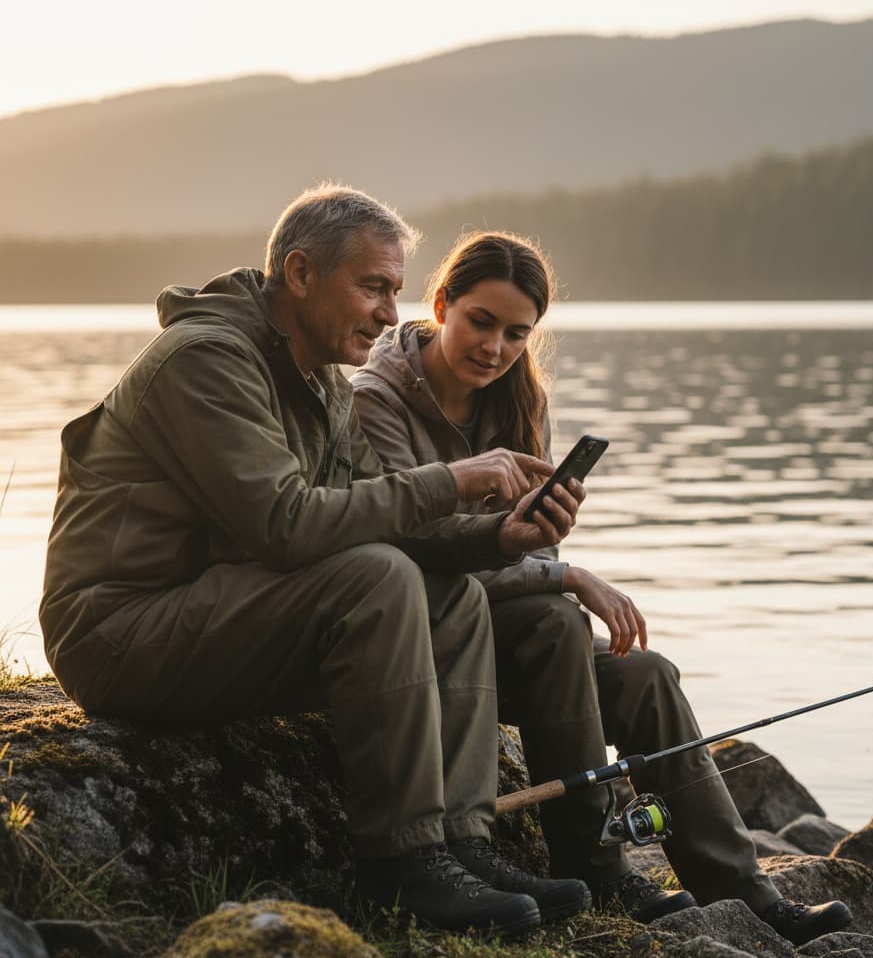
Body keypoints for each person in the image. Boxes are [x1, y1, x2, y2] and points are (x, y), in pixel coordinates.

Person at [38, 187, 598, 937]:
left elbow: (375, 509)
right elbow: (284, 525)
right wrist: (451, 481)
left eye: (395, 291)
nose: (389, 314)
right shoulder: (206, 361)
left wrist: (498, 538)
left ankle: (464, 844)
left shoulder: (318, 380)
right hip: (118, 633)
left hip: (212, 607)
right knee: (375, 577)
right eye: (373, 287)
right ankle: (402, 863)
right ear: (300, 274)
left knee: (452, 594)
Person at [351, 230, 853, 945]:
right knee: (557, 621)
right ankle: (598, 867)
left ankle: (745, 892)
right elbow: (407, 543)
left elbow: (536, 551)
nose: (495, 348)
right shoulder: (377, 400)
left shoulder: (516, 397)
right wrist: (566, 574)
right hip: (431, 645)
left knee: (646, 675)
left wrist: (550, 559)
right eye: (481, 322)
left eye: (517, 333)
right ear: (441, 305)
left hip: (520, 643)